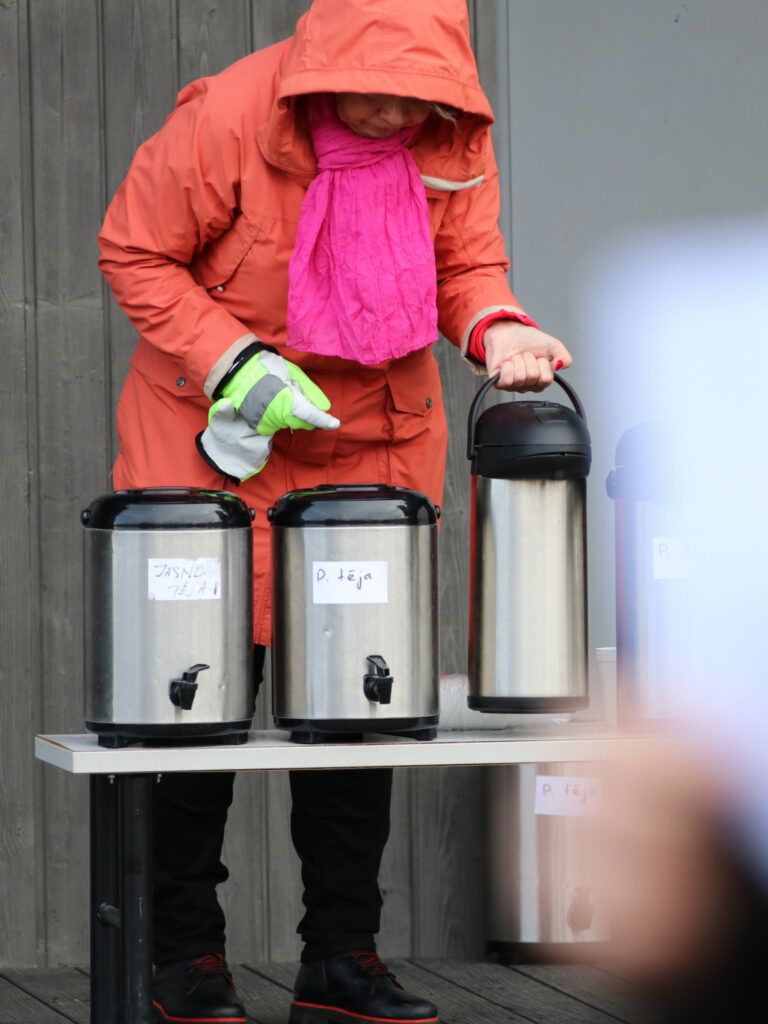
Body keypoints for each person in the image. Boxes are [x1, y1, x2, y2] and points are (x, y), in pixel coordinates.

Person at [98, 1, 572, 1021]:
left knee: (360, 709)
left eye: (416, 97)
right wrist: (235, 362)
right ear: (320, 71)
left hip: (372, 436)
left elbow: (467, 267)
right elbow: (135, 251)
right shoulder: (228, 115)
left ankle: (342, 958)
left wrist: (498, 329)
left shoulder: (448, 137)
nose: (394, 111)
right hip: (215, 430)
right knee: (194, 708)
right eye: (371, 92)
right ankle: (184, 959)